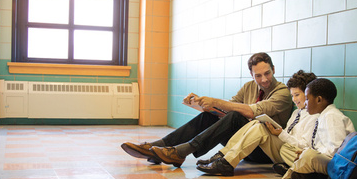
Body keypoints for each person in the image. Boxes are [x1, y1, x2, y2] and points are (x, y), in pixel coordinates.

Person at [120, 52, 293, 167]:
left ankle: (182, 151)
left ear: (274, 70)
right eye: (258, 75)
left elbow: (251, 111)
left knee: (234, 115)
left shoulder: (282, 93)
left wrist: (216, 101)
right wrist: (202, 102)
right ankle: (159, 147)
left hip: (262, 152)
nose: (264, 79)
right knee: (213, 116)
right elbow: (226, 108)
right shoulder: (249, 87)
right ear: (251, 75)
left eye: (267, 73)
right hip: (239, 143)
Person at [196, 70, 318, 176]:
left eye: (297, 95)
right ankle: (222, 156)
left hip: (293, 154)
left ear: (309, 94)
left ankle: (227, 163)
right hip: (284, 147)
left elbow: (304, 146)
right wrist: (278, 132)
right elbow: (288, 134)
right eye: (292, 95)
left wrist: (282, 134)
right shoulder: (296, 113)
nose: (294, 100)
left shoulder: (314, 116)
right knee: (257, 123)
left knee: (259, 128)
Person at [280, 78, 355, 179]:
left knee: (309, 155)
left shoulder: (331, 116)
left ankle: (295, 172)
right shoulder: (323, 115)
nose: (305, 103)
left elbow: (335, 150)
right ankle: (302, 173)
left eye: (307, 99)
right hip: (327, 159)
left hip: (337, 164)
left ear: (318, 100)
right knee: (298, 152)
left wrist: (310, 152)